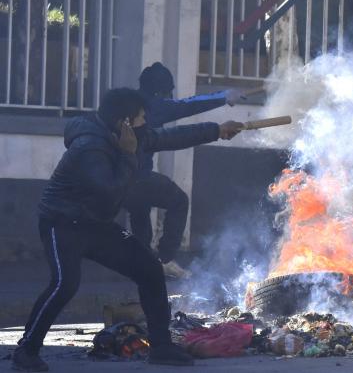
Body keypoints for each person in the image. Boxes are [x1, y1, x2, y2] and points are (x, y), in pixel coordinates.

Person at [12, 88, 243, 371]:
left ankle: (161, 348)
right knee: (65, 284)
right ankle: (27, 350)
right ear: (125, 122)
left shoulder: (128, 135)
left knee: (149, 269)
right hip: (63, 223)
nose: (146, 122)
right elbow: (111, 191)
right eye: (142, 117)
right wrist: (129, 155)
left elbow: (167, 138)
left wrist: (217, 130)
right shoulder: (89, 147)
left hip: (96, 224)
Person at [124, 62, 243, 278]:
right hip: (135, 177)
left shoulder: (129, 102)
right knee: (178, 201)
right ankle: (165, 259)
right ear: (161, 91)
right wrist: (223, 97)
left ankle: (140, 262)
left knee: (139, 209)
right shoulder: (153, 106)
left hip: (118, 178)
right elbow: (188, 105)